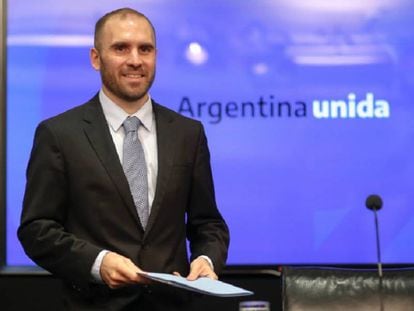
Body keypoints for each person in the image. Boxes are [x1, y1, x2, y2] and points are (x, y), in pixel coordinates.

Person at [18, 7, 229, 310]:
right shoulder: (59, 134)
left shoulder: (188, 133)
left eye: (145, 49)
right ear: (95, 58)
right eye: (121, 48)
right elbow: (36, 229)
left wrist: (206, 260)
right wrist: (97, 263)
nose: (135, 60)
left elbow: (208, 223)